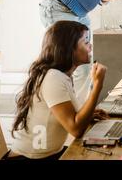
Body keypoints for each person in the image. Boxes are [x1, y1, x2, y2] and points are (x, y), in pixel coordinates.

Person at [8, 21, 108, 159]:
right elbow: (76, 129)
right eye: (85, 42)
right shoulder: (53, 77)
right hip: (30, 157)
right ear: (68, 48)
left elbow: (71, 117)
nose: (90, 46)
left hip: (47, 153)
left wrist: (89, 114)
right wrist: (97, 84)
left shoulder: (61, 75)